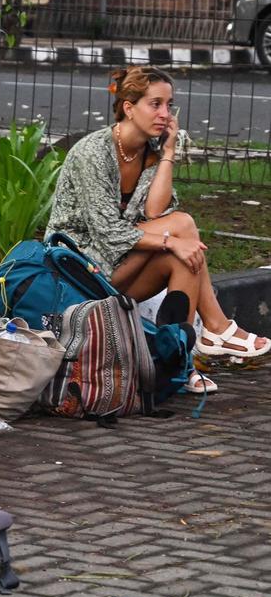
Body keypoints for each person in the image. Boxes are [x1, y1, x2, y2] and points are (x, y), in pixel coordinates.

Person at [45, 66, 268, 393]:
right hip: (78, 273)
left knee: (185, 257)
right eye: (155, 104)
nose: (165, 114)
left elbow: (155, 211)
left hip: (116, 270)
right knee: (183, 229)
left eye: (169, 105)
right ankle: (216, 328)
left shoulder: (147, 152)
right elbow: (109, 234)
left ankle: (178, 364)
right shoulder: (93, 152)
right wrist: (170, 241)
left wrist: (167, 155)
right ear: (128, 107)